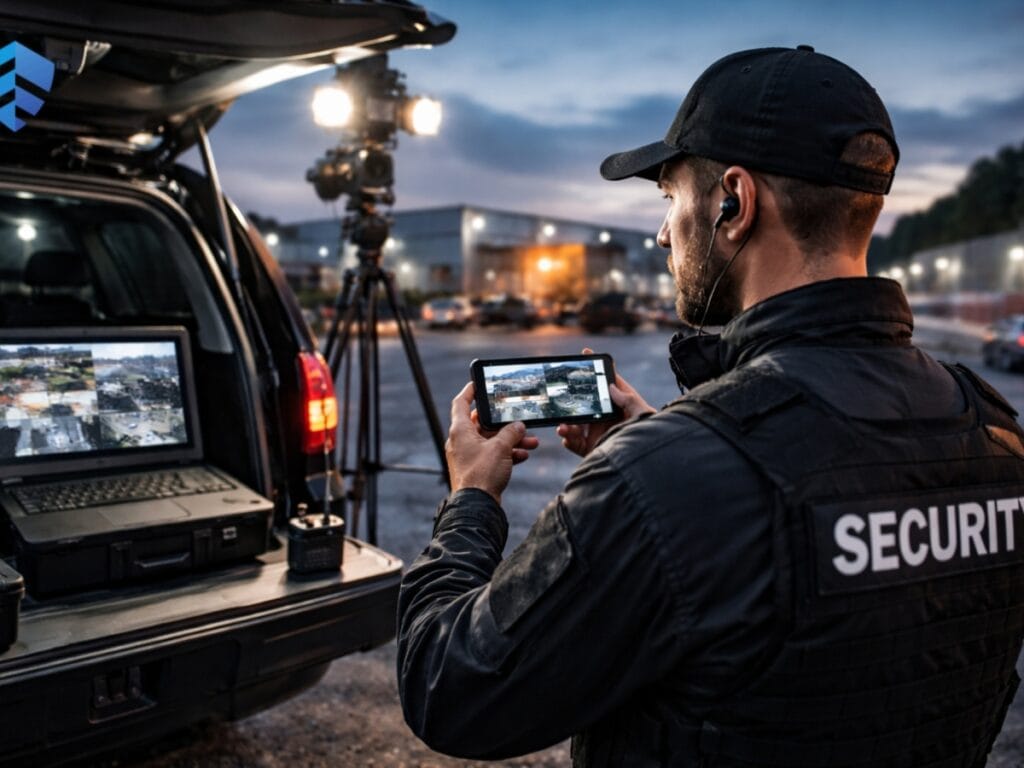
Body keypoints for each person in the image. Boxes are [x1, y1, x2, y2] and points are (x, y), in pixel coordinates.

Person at [396, 45, 1024, 767]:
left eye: (670, 198)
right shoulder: (992, 429)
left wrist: (472, 500)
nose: (664, 233)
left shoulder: (666, 476)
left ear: (734, 203)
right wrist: (663, 447)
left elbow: (450, 688)